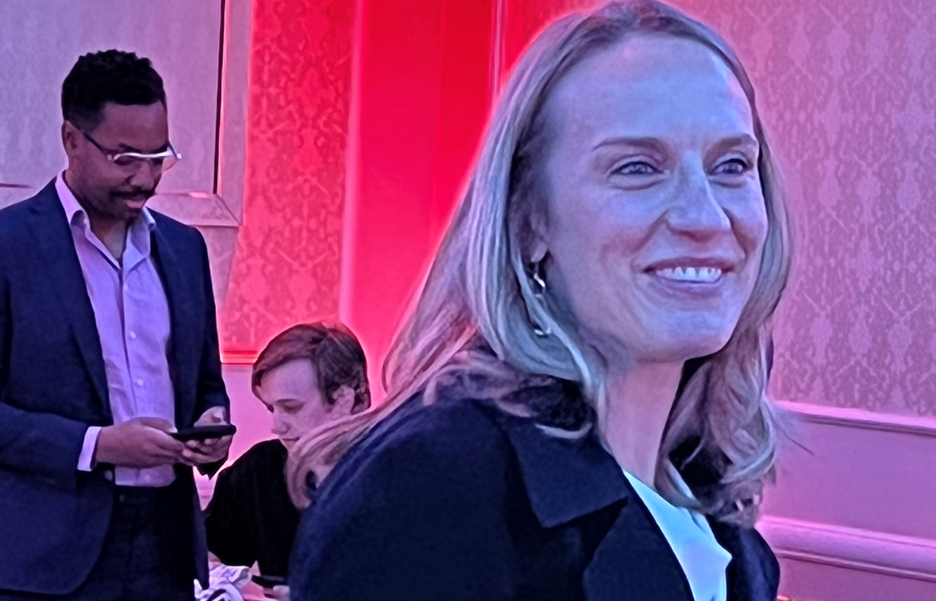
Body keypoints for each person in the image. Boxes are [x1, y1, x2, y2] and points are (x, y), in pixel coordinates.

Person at [287, 1, 792, 600]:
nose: (705, 217)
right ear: (528, 220)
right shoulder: (434, 485)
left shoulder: (703, 483)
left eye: (731, 165)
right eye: (637, 168)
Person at [0, 50, 232, 600]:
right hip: (43, 558)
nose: (145, 178)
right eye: (125, 158)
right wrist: (98, 445)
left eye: (159, 157)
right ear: (72, 139)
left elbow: (207, 385)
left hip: (166, 551)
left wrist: (211, 427)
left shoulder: (185, 249)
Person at [204, 323, 370, 586]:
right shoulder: (257, 471)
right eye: (271, 409)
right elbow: (210, 556)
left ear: (343, 400)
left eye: (291, 407)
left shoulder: (391, 472)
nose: (276, 426)